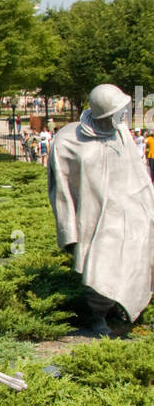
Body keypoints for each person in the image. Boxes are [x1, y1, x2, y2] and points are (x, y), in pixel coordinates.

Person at [48, 84, 154, 336]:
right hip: (98, 217)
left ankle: (126, 306)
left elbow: (138, 172)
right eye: (117, 112)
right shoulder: (70, 140)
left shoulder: (121, 134)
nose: (122, 116)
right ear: (103, 114)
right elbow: (60, 188)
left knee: (138, 260)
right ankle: (99, 315)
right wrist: (68, 230)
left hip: (133, 212)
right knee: (101, 266)